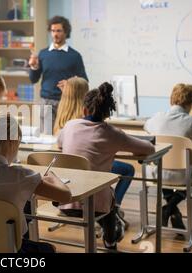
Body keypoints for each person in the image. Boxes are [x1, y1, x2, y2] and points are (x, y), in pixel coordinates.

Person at [58, 82, 155, 250]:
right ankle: (110, 243)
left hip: (65, 200)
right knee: (105, 192)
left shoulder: (70, 126)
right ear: (107, 114)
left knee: (97, 184)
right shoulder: (113, 134)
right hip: (97, 208)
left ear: (84, 110)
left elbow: (60, 145)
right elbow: (149, 148)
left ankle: (111, 225)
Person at [0, 112, 72, 253]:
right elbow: (65, 196)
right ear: (11, 143)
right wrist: (53, 177)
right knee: (49, 249)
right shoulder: (20, 176)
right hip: (8, 249)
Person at [54, 77, 135, 228]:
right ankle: (114, 209)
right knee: (126, 169)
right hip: (90, 173)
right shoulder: (86, 116)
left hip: (68, 183)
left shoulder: (65, 114)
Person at [144, 84, 192, 230]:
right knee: (187, 175)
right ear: (190, 103)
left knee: (165, 166)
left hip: (157, 173)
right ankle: (169, 209)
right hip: (184, 177)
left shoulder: (156, 118)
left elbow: (147, 128)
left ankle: (170, 210)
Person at [29, 16, 88, 133]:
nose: (55, 34)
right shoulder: (43, 54)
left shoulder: (75, 56)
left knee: (65, 137)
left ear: (66, 32)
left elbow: (84, 81)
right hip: (45, 102)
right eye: (53, 31)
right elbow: (33, 79)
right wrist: (33, 66)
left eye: (58, 31)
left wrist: (71, 83)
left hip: (67, 102)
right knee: (45, 138)